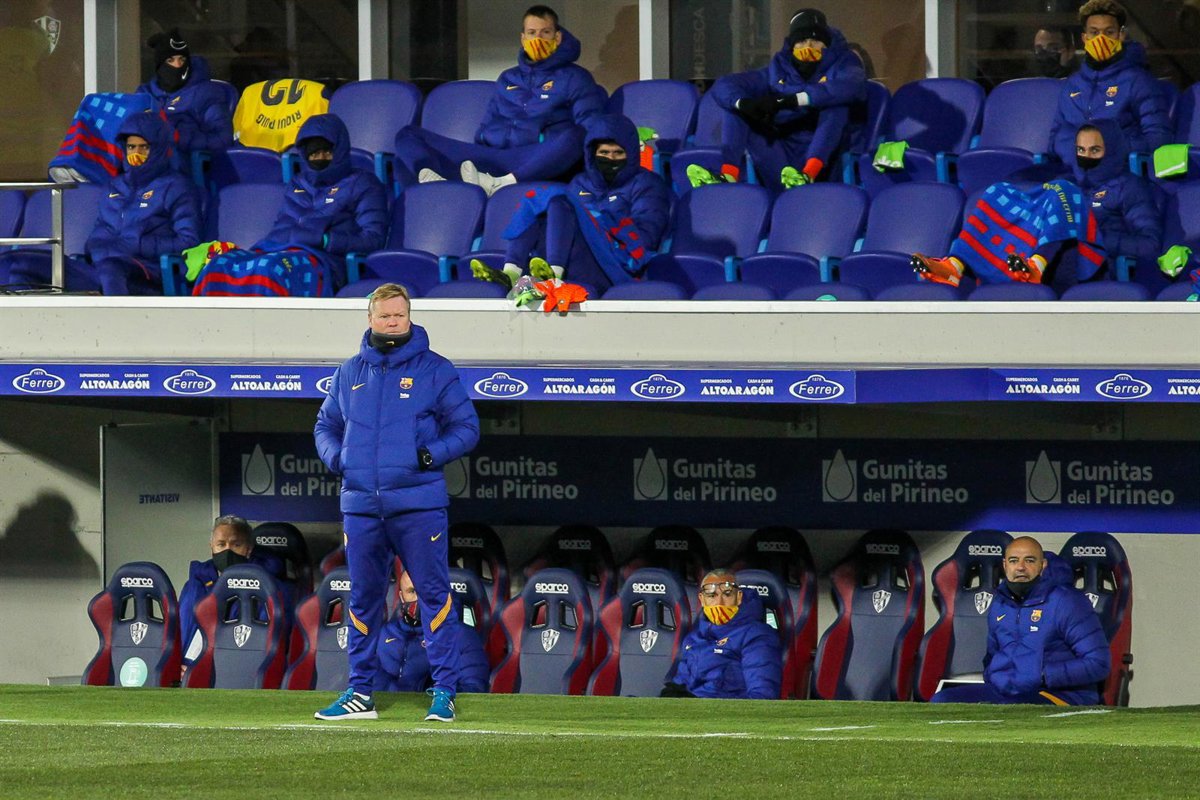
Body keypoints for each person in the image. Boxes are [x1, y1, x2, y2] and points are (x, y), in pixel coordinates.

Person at [313, 283, 480, 722]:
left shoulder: (435, 369)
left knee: (434, 595)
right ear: (370, 319)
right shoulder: (349, 372)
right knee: (363, 599)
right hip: (361, 507)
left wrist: (428, 456)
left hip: (418, 504)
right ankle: (359, 693)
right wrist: (339, 459)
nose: (393, 322)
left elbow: (467, 428)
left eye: (399, 315)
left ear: (409, 317)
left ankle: (444, 692)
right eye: (385, 316)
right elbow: (324, 426)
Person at [913, 119, 1161, 289]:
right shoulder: (1069, 176)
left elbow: (1149, 245)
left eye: (1095, 150)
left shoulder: (1130, 187)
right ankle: (955, 266)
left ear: (1112, 150)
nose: (1086, 156)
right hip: (1037, 258)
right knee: (998, 190)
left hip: (1087, 263)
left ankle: (1037, 266)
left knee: (1063, 189)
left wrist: (1091, 232)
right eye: (1081, 150)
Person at [392, 5, 605, 194]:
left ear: (557, 37)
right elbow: (487, 123)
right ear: (523, 38)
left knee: (577, 135)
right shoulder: (507, 78)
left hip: (532, 159)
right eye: (532, 33)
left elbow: (591, 126)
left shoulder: (576, 77)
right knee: (408, 135)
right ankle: (433, 180)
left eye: (545, 32)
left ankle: (502, 184)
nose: (538, 39)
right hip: (491, 155)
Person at [2, 112, 201, 294]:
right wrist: (98, 248)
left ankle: (116, 321)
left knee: (111, 269)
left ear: (158, 148)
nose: (136, 153)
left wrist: (139, 244)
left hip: (148, 272)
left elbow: (189, 241)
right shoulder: (115, 187)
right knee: (22, 264)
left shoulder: (176, 186)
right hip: (100, 268)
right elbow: (99, 234)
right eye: (131, 147)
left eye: (144, 147)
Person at [191, 113, 387, 296]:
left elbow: (374, 239)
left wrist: (327, 240)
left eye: (326, 152)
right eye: (313, 153)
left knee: (270, 268)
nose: (319, 158)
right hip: (276, 249)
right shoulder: (297, 183)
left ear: (339, 150)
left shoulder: (362, 183)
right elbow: (283, 225)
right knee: (218, 265)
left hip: (322, 259)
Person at [470, 113, 670, 293]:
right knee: (541, 205)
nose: (610, 158)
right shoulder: (580, 182)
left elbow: (646, 238)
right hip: (577, 260)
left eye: (618, 153)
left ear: (631, 154)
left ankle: (554, 276)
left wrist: (600, 221)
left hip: (615, 268)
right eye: (604, 153)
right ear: (592, 154)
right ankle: (511, 272)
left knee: (559, 200)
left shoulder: (648, 184)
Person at [688, 8, 866, 192]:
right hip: (782, 154)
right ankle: (728, 176)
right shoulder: (780, 67)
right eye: (802, 41)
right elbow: (725, 85)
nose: (808, 46)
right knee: (736, 107)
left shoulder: (844, 62)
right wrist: (744, 103)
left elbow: (849, 87)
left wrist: (791, 100)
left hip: (828, 159)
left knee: (836, 107)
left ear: (826, 43)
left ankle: (808, 175)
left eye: (815, 41)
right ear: (792, 45)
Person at [931, 536, 1111, 705]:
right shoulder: (1000, 602)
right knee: (943, 700)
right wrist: (995, 675)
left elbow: (1099, 663)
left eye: (1030, 561)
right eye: (1013, 561)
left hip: (1059, 694)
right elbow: (991, 656)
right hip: (1007, 691)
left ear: (1043, 565)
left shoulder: (1067, 601)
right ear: (1005, 565)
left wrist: (1043, 676)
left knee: (1009, 709)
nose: (1021, 567)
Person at [1047, 0, 1170, 165]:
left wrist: (1107, 149)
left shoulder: (1138, 80)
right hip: (1072, 172)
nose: (1101, 39)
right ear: (1084, 38)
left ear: (1121, 35)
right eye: (1094, 32)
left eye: (1109, 32)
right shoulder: (1072, 84)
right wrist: (1076, 152)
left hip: (1119, 173)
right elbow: (1054, 140)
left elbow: (1159, 138)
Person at [178, 515, 285, 677]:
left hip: (235, 672)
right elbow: (181, 628)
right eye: (221, 544)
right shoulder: (195, 583)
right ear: (211, 547)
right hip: (187, 668)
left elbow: (267, 640)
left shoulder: (266, 586)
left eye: (236, 545)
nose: (227, 550)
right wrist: (178, 664)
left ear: (249, 549)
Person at [661, 569, 782, 699]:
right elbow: (680, 684)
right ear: (702, 600)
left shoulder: (757, 636)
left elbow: (762, 696)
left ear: (739, 597)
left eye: (727, 594)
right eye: (712, 596)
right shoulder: (693, 638)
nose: (719, 602)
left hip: (725, 709)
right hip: (691, 708)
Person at [376, 570, 490, 694]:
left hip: (433, 706)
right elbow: (367, 687)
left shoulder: (462, 636)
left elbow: (475, 692)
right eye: (412, 591)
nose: (419, 598)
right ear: (402, 597)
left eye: (426, 590)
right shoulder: (383, 634)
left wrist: (430, 690)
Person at [136, 29, 234, 157]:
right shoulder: (145, 93)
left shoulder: (207, 93)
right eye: (170, 60)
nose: (177, 65)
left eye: (182, 59)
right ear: (160, 65)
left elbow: (223, 139)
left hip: (186, 163)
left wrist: (180, 138)